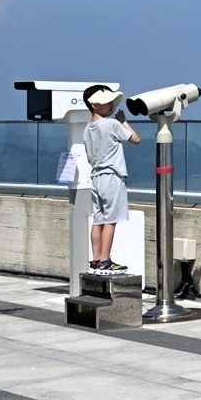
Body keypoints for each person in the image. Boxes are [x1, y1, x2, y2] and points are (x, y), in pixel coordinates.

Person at [81, 86, 141, 275]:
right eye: (107, 102)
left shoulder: (87, 128)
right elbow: (136, 139)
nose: (112, 105)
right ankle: (106, 261)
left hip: (96, 177)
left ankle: (96, 259)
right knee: (111, 219)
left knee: (98, 219)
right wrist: (124, 122)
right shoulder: (111, 124)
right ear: (95, 104)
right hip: (112, 176)